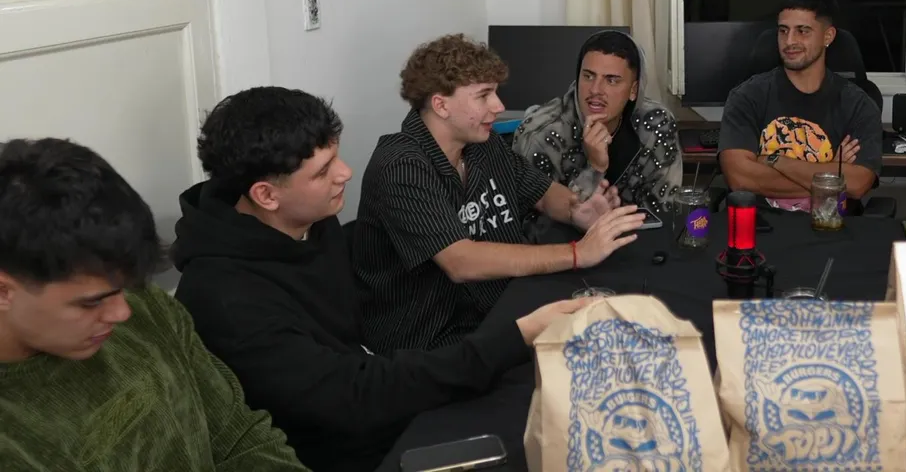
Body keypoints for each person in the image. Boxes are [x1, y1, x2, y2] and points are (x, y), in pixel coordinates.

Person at [171, 87, 592, 472]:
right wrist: (511, 339)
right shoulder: (227, 299)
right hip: (333, 449)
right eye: (322, 171)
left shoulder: (310, 220)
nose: (345, 173)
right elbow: (353, 396)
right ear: (266, 195)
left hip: (375, 396)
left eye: (336, 156)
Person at [0, 138, 306, 471]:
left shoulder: (147, 306)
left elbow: (239, 437)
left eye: (124, 288)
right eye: (91, 303)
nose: (123, 312)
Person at [353, 34, 645, 352]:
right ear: (441, 105)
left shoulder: (484, 144)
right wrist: (577, 254)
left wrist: (576, 211)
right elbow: (461, 261)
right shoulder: (401, 165)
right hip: (429, 341)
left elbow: (542, 192)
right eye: (484, 96)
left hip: (499, 310)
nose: (499, 106)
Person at [718, 0, 883, 210]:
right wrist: (831, 174)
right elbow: (741, 179)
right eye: (783, 31)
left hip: (831, 226)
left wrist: (774, 160)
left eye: (803, 31)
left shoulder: (858, 104)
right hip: (761, 224)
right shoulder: (747, 97)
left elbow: (857, 183)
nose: (789, 41)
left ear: (828, 36)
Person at [513, 30, 682, 211]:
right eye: (588, 76)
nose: (595, 90)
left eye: (611, 80)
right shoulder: (538, 135)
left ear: (633, 90)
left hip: (639, 229)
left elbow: (664, 212)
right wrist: (594, 169)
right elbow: (533, 223)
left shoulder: (657, 123)